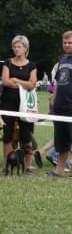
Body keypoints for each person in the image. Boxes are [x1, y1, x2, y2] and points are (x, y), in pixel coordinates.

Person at [0, 35, 37, 173]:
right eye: (14, 46)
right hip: (8, 102)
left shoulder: (32, 65)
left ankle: (28, 165)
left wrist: (16, 80)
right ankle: (7, 165)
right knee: (7, 133)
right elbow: (5, 81)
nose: (16, 49)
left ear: (26, 48)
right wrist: (24, 84)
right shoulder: (7, 63)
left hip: (26, 104)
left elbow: (32, 84)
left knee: (26, 134)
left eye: (19, 46)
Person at [49, 30, 72, 178]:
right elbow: (57, 82)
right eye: (65, 42)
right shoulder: (62, 60)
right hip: (60, 106)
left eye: (70, 42)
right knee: (61, 141)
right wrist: (53, 98)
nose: (67, 45)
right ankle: (59, 170)